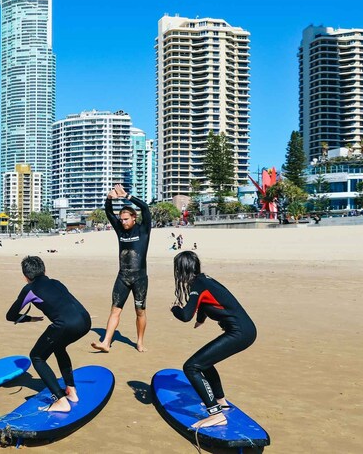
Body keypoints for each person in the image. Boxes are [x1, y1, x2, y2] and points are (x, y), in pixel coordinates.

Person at [170, 251, 257, 429]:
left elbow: (185, 315)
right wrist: (200, 320)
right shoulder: (204, 280)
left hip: (239, 333)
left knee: (191, 366)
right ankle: (221, 402)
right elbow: (204, 302)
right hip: (245, 330)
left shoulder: (197, 285)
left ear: (181, 270)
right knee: (205, 363)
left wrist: (175, 309)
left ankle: (216, 415)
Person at [6, 256, 91, 413]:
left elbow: (10, 315)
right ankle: (71, 391)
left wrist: (30, 319)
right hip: (86, 321)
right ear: (45, 270)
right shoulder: (56, 283)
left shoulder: (29, 289)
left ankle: (61, 401)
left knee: (37, 356)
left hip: (66, 325)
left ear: (25, 276)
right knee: (59, 347)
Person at [92, 184, 152, 353]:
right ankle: (106, 342)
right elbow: (109, 213)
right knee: (115, 310)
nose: (123, 222)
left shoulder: (144, 230)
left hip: (140, 278)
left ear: (134, 218)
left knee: (140, 311)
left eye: (126, 219)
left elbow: (145, 208)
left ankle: (140, 342)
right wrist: (109, 198)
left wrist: (127, 196)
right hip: (122, 277)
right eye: (121, 219)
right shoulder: (120, 231)